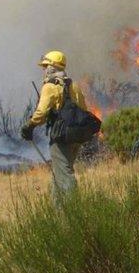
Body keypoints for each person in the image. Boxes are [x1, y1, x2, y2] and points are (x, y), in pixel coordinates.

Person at [20, 50, 88, 199]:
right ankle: (56, 209)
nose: (44, 70)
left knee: (64, 174)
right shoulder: (74, 85)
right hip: (76, 136)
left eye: (45, 67)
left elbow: (41, 113)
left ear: (52, 67)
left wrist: (29, 126)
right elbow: (84, 109)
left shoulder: (50, 86)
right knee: (59, 173)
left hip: (61, 136)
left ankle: (75, 207)